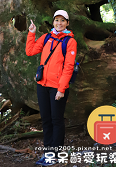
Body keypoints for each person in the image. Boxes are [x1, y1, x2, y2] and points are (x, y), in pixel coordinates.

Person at [27, 9, 77, 166]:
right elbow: (30, 51)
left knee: (57, 120)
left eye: (63, 20)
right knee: (46, 120)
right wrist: (32, 34)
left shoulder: (70, 41)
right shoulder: (46, 37)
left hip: (58, 87)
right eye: (57, 20)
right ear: (53, 21)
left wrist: (61, 89)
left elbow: (69, 67)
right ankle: (48, 153)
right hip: (42, 85)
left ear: (67, 23)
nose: (59, 23)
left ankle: (55, 155)